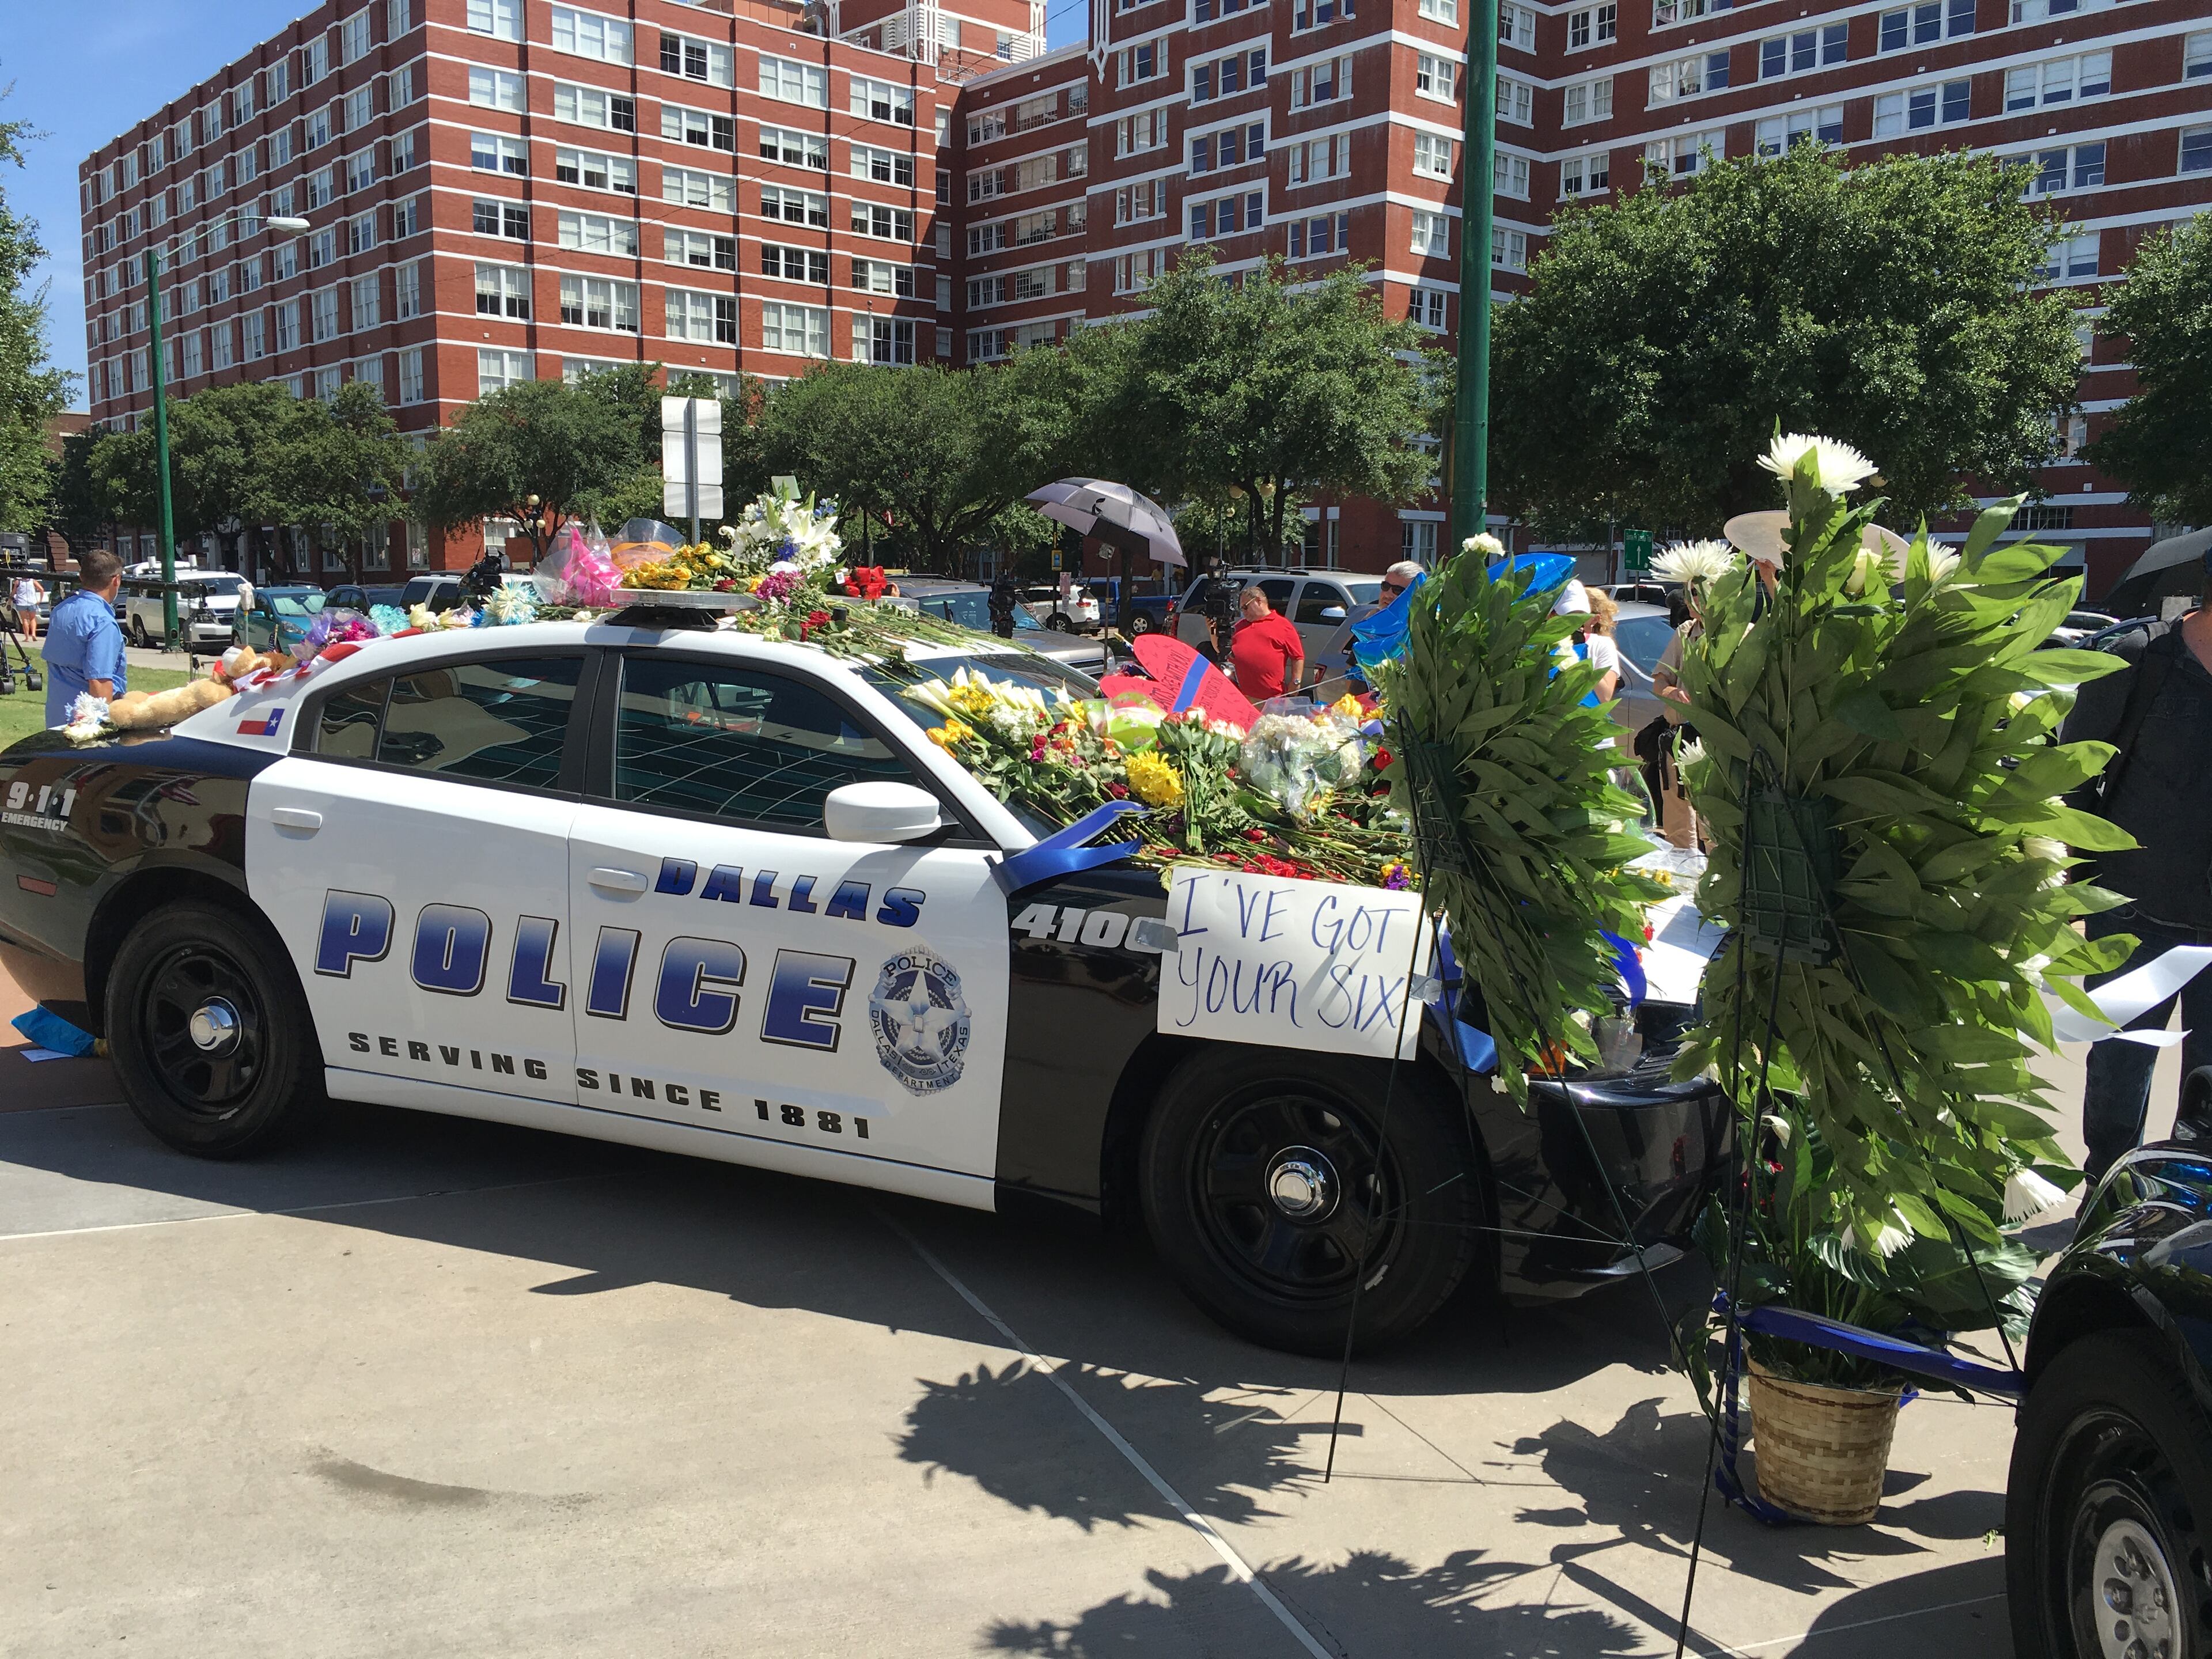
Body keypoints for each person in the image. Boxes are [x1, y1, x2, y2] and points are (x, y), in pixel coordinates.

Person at [2058, 558, 2212, 1182]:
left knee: (2209, 1084)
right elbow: (2073, 773)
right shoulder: (2140, 658)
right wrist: (2073, 874)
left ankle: (2185, 1203)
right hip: (2134, 909)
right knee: (2121, 1065)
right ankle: (2110, 1194)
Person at [42, 549, 128, 726]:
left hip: (57, 718)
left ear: (81, 577)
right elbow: (99, 682)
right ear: (116, 580)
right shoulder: (103, 622)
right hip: (87, 725)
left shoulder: (60, 610)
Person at [1228, 582, 1304, 700]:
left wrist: (1296, 681)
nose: (1244, 612)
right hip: (1242, 697)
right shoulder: (1239, 627)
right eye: (1241, 609)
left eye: (1245, 607)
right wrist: (1212, 631)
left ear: (1258, 601)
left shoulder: (1282, 625)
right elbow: (1222, 649)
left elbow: (1298, 656)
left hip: (1272, 698)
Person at [12, 569, 46, 642]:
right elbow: (41, 589)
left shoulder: (18, 582)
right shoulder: (33, 581)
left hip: (21, 603)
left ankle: (27, 637)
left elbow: (13, 592)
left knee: (24, 620)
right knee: (33, 619)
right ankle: (34, 634)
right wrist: (40, 600)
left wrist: (9, 601)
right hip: (32, 602)